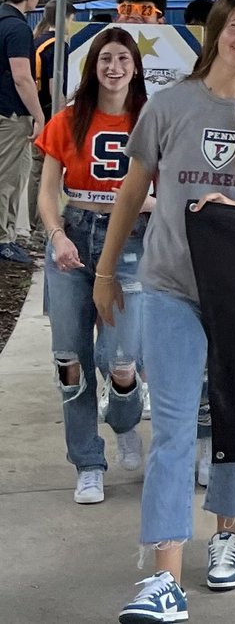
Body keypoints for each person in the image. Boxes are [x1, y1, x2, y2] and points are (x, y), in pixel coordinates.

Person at [95, 0, 235, 623]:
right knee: (169, 431)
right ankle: (165, 578)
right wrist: (107, 272)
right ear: (216, 31)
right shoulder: (169, 104)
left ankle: (225, 536)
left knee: (233, 422)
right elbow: (133, 188)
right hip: (170, 286)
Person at [36, 27, 151, 506]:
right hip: (75, 237)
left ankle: (124, 420)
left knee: (121, 361)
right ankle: (87, 461)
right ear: (93, 66)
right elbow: (46, 191)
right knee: (70, 360)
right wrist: (57, 236)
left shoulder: (151, 119)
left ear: (136, 66)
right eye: (105, 58)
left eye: (123, 58)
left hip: (132, 239)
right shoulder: (69, 119)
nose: (114, 67)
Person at [0, 0, 44, 265]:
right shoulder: (17, 28)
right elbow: (22, 78)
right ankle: (4, 240)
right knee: (9, 178)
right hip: (11, 114)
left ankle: (8, 236)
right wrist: (39, 115)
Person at [31, 0, 77, 241]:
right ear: (65, 18)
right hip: (50, 115)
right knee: (50, 175)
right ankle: (43, 224)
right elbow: (54, 86)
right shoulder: (58, 47)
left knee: (35, 173)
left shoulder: (35, 41)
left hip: (33, 112)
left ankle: (32, 222)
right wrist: (62, 115)